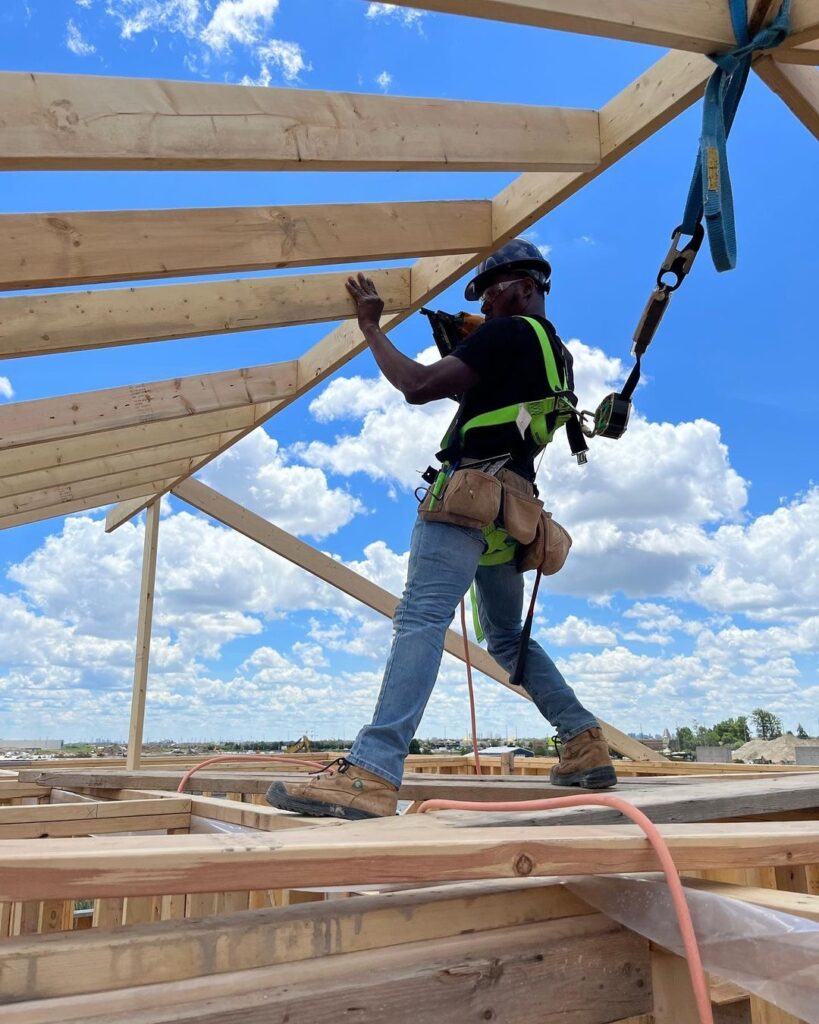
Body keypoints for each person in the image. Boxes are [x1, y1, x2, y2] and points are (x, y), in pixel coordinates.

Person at [266, 239, 616, 820]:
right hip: (513, 511)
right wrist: (472, 349)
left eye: (494, 291)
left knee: (421, 618)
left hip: (469, 498)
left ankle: (371, 772)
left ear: (527, 285)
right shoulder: (557, 351)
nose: (488, 303)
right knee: (507, 639)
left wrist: (372, 328)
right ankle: (582, 741)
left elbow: (416, 386)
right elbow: (489, 398)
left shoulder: (508, 333)